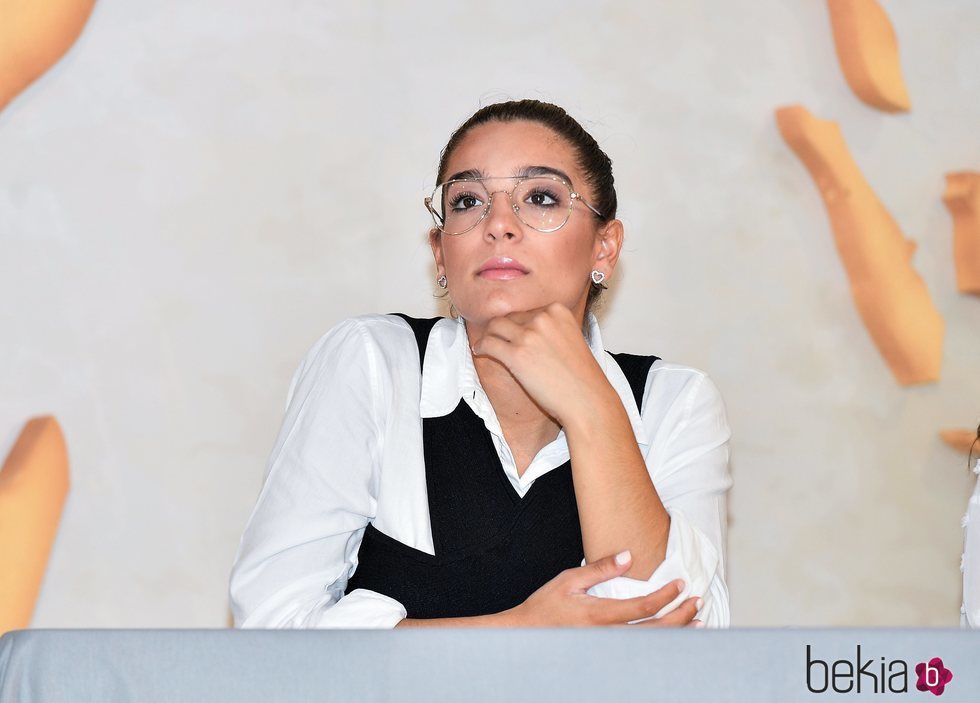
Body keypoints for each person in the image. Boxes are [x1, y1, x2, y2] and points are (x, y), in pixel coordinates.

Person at [229, 99, 734, 628]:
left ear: (604, 249)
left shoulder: (673, 403)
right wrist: (515, 633)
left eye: (540, 197)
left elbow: (686, 647)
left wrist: (593, 410)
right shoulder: (373, 364)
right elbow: (272, 629)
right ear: (442, 252)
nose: (498, 225)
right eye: (468, 201)